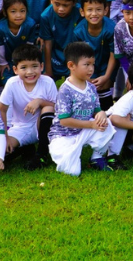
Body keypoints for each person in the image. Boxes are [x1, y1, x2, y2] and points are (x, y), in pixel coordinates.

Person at [48, 41, 117, 175]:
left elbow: (97, 110)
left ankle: (96, 158)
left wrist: (101, 114)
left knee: (107, 124)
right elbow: (64, 121)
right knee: (73, 171)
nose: (91, 69)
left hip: (84, 130)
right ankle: (71, 155)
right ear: (71, 65)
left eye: (92, 64)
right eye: (86, 64)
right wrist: (91, 125)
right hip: (64, 136)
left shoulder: (91, 87)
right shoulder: (65, 90)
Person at [0, 43, 58, 170]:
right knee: (2, 152)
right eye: (23, 67)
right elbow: (1, 110)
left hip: (41, 126)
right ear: (15, 70)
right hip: (20, 127)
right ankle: (26, 149)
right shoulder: (12, 83)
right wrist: (5, 137)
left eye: (34, 66)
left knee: (48, 109)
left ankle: (41, 155)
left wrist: (40, 101)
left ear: (41, 66)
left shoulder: (48, 82)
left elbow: (58, 108)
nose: (30, 72)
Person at [71, 0, 118, 108]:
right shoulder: (79, 31)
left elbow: (114, 54)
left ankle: (108, 119)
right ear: (82, 11)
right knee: (87, 98)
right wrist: (85, 76)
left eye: (98, 9)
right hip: (88, 68)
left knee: (105, 97)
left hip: (106, 67)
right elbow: (79, 57)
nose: (94, 13)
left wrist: (106, 76)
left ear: (106, 10)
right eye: (90, 10)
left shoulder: (111, 29)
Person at [0, 0, 37, 88]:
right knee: (7, 81)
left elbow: (29, 45)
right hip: (6, 60)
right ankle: (1, 97)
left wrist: (25, 63)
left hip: (24, 59)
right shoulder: (0, 28)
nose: (18, 15)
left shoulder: (30, 24)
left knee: (27, 80)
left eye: (22, 11)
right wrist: (2, 62)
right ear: (5, 13)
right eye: (13, 11)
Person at [40, 0, 82, 80]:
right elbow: (48, 44)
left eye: (65, 5)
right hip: (55, 55)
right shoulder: (45, 16)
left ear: (74, 3)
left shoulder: (81, 13)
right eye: (57, 4)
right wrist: (48, 71)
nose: (61, 9)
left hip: (76, 53)